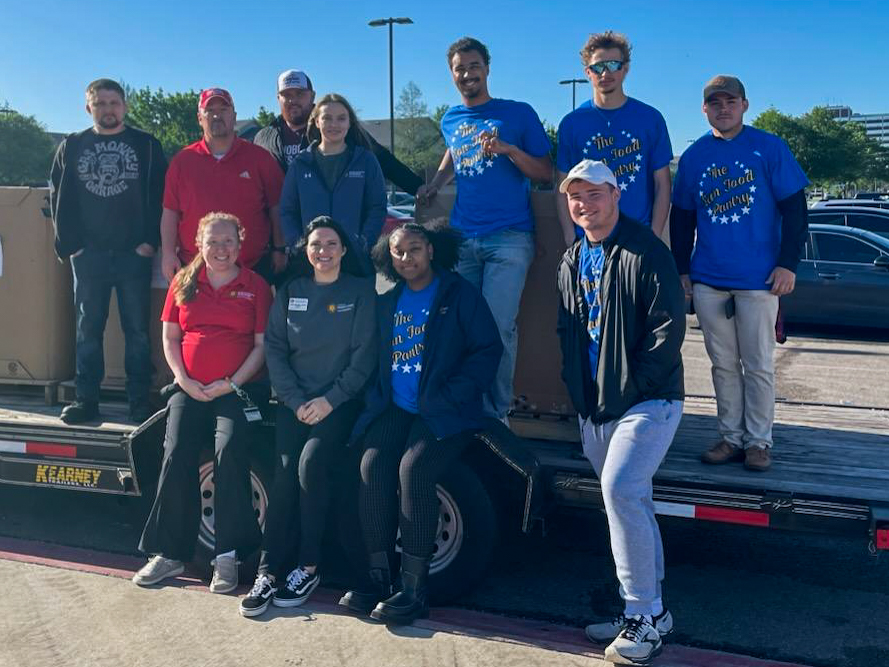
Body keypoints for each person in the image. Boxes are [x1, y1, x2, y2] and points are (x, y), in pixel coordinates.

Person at [340, 221, 502, 625]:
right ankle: (378, 580)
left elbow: (486, 350)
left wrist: (451, 395)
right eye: (398, 252)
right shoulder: (388, 300)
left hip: (446, 411)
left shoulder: (458, 294)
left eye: (414, 249)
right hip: (397, 407)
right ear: (388, 258)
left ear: (431, 250)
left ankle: (413, 590)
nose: (406, 258)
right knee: (372, 467)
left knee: (414, 471)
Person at [556, 160, 685, 666]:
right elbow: (569, 332)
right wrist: (579, 394)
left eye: (593, 194)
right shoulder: (571, 260)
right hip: (595, 407)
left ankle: (643, 616)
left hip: (647, 402)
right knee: (631, 504)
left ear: (615, 195)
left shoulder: (645, 250)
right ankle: (651, 609)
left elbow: (667, 329)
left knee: (621, 490)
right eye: (575, 197)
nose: (583, 204)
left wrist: (634, 389)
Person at [239, 216, 377, 617]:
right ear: (307, 251)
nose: (323, 251)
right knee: (284, 478)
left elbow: (363, 358)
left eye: (331, 244)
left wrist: (329, 401)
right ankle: (267, 573)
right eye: (316, 244)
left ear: (344, 250)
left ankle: (309, 565)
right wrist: (295, 399)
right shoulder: (291, 291)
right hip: (293, 404)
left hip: (337, 404)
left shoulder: (361, 292)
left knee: (310, 466)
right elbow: (277, 352)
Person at [670, 75, 809, 472]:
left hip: (760, 279)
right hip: (709, 277)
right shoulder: (694, 156)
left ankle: (758, 442)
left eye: (730, 101)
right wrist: (682, 269)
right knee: (723, 365)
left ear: (744, 105)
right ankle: (730, 437)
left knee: (759, 364)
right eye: (715, 103)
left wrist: (788, 263)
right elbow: (683, 219)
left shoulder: (769, 147)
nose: (723, 108)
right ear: (704, 110)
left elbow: (796, 211)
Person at [133, 212, 273, 594]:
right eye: (213, 241)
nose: (221, 249)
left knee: (228, 452)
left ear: (240, 243)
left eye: (228, 241)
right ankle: (169, 553)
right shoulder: (183, 281)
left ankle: (226, 557)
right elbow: (170, 338)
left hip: (238, 390)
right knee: (176, 451)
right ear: (198, 243)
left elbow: (262, 346)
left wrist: (231, 383)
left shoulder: (256, 287)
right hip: (190, 387)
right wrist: (184, 381)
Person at [418, 36, 552, 422]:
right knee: (458, 328)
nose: (466, 74)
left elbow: (545, 172)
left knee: (496, 328)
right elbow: (452, 152)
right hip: (462, 239)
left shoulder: (518, 113)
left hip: (509, 238)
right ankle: (464, 408)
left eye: (473, 66)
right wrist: (438, 181)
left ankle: (496, 417)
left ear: (487, 68)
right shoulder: (450, 118)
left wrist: (509, 150)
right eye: (459, 68)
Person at [49, 78, 167, 424]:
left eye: (113, 103)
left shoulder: (146, 145)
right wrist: (71, 246)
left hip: (135, 253)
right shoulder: (73, 145)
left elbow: (162, 195)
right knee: (88, 330)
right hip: (89, 256)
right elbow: (58, 196)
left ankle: (138, 402)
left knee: (138, 332)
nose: (108, 109)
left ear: (125, 106)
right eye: (99, 103)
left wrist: (150, 242)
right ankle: (86, 400)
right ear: (88, 108)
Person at [556, 31, 672, 245]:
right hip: (589, 239)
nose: (605, 73)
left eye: (613, 65)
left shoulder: (650, 119)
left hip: (638, 237)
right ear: (587, 72)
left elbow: (662, 184)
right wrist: (570, 237)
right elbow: (562, 185)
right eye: (598, 67)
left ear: (625, 69)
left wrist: (653, 236)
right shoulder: (572, 124)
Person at [160, 88, 286, 285]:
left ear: (234, 116)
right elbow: (170, 211)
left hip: (251, 267)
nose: (217, 115)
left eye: (224, 109)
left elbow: (276, 207)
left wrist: (280, 248)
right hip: (195, 268)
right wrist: (168, 253)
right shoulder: (182, 161)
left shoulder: (259, 158)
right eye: (209, 110)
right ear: (199, 118)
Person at [253, 69, 423, 195]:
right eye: (286, 94)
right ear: (278, 98)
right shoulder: (264, 137)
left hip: (327, 223)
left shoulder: (334, 127)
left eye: (299, 94)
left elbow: (383, 158)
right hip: (282, 229)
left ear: (312, 96)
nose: (293, 100)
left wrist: (417, 187)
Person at [278, 93, 387, 260]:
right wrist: (299, 246)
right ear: (316, 122)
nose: (334, 124)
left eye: (341, 118)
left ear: (350, 123)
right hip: (312, 262)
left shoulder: (365, 161)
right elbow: (287, 211)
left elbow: (377, 207)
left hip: (355, 262)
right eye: (327, 118)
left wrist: (364, 242)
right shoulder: (300, 164)